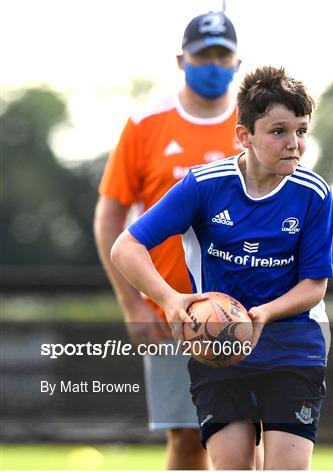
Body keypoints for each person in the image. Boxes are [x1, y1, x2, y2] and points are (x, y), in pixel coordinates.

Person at [111, 66, 333, 470]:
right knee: (232, 465)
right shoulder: (204, 185)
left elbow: (313, 286)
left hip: (293, 345)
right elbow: (126, 247)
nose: (294, 144)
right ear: (244, 135)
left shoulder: (313, 193)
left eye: (302, 131)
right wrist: (170, 299)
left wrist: (262, 315)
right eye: (279, 131)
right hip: (221, 347)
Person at [94, 11, 241, 470]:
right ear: (182, 59)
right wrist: (132, 303)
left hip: (247, 307)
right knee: (187, 439)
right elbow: (110, 215)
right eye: (203, 55)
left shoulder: (257, 125)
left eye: (223, 55)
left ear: (238, 62)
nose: (213, 64)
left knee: (247, 437)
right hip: (168, 311)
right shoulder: (146, 124)